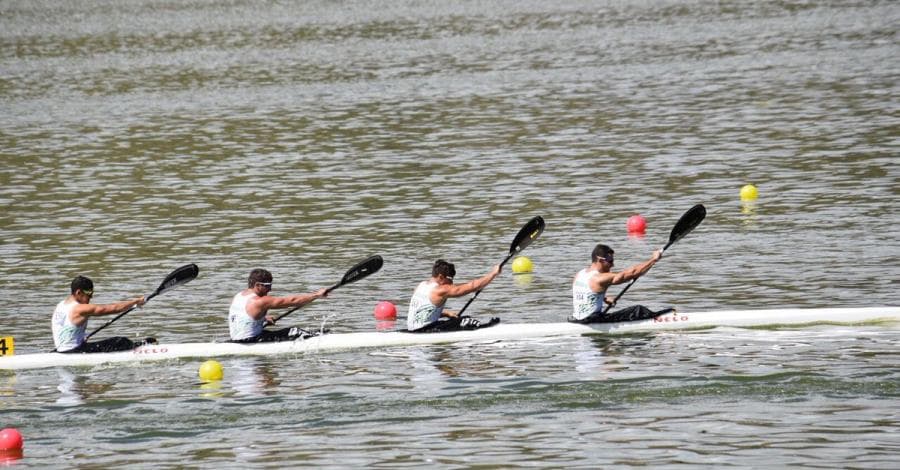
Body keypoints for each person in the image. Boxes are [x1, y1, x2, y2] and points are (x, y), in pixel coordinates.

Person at [570, 244, 673, 323]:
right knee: (638, 310)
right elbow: (632, 273)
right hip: (591, 321)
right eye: (610, 260)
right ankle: (664, 318)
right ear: (600, 260)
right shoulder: (600, 278)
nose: (612, 264)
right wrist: (653, 260)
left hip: (576, 319)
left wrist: (604, 298)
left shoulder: (579, 274)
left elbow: (586, 292)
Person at [52, 275, 151, 353]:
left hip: (62, 350)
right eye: (89, 294)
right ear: (78, 292)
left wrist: (80, 338)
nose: (91, 297)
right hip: (74, 351)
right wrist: (135, 302)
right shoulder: (79, 309)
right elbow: (113, 308)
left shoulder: (61, 305)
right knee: (121, 341)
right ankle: (145, 347)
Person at [229, 268, 328, 343]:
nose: (270, 289)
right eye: (268, 285)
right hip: (250, 341)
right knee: (294, 331)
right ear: (258, 285)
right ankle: (324, 340)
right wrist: (316, 295)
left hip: (238, 340)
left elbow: (242, 316)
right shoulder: (259, 301)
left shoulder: (239, 296)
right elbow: (292, 301)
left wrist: (263, 318)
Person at [407, 259, 502, 332]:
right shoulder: (439, 290)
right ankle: (491, 330)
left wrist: (446, 313)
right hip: (425, 331)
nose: (452, 282)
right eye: (450, 279)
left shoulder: (420, 285)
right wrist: (493, 274)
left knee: (457, 321)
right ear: (440, 277)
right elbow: (472, 286)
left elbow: (421, 311)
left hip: (413, 330)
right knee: (467, 321)